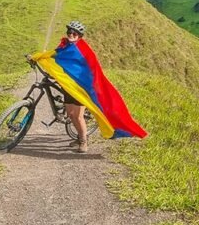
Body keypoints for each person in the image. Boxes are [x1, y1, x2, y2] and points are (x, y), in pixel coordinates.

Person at [28, 20, 147, 153]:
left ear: (79, 35)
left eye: (75, 33)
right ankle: (79, 137)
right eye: (69, 32)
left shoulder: (83, 50)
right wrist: (36, 57)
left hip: (83, 88)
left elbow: (92, 70)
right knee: (71, 115)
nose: (71, 34)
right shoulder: (64, 46)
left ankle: (83, 142)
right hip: (70, 87)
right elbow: (52, 54)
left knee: (77, 116)